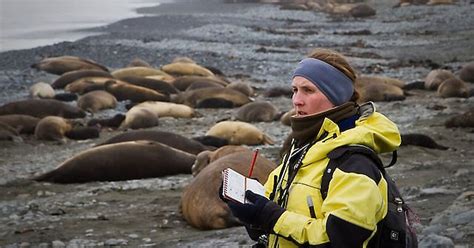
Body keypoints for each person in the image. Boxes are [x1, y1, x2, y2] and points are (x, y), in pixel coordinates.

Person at [221, 48, 401, 247]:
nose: (297, 100)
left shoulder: (354, 162)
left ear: (337, 96)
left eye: (308, 90)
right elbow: (270, 227)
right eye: (295, 90)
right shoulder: (301, 150)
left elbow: (341, 239)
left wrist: (270, 216)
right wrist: (250, 207)